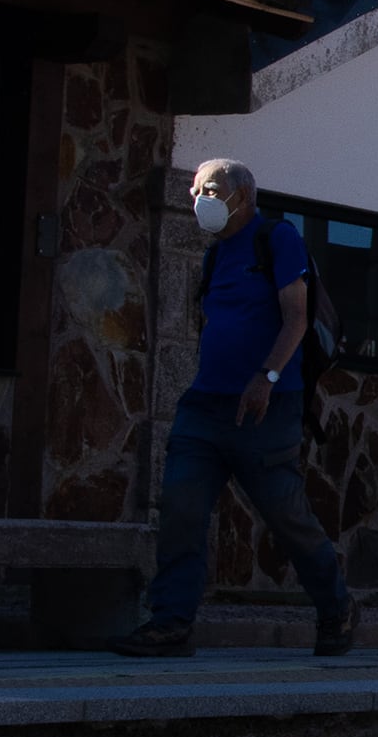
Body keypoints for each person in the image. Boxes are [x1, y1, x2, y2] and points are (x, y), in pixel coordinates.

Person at [116, 159, 352, 657]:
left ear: (242, 196)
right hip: (205, 406)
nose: (197, 196)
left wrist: (265, 378)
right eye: (196, 188)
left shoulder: (278, 238)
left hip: (266, 407)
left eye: (210, 189)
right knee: (181, 509)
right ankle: (171, 623)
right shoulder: (216, 254)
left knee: (286, 516)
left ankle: (336, 609)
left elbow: (297, 319)